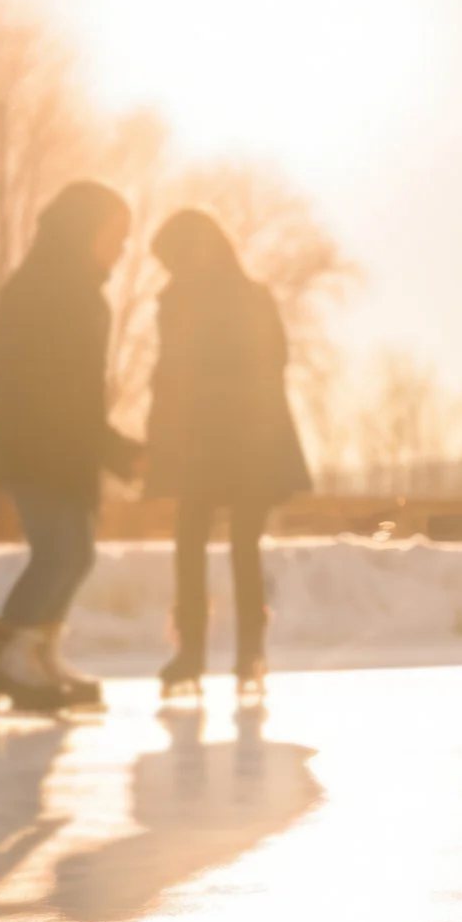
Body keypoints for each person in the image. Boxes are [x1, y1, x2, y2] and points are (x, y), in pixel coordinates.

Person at [0, 181, 143, 715]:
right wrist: (113, 450)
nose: (122, 247)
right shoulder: (39, 290)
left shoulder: (86, 296)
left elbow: (82, 393)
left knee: (77, 553)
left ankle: (37, 654)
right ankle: (2, 660)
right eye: (115, 234)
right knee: (58, 553)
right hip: (38, 447)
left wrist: (107, 448)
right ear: (82, 229)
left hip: (68, 448)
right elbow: (46, 388)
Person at [145, 210, 313, 698]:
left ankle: (238, 652)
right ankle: (209, 653)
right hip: (212, 441)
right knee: (205, 544)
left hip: (239, 441)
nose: (169, 271)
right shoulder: (190, 300)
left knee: (228, 544)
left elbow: (271, 361)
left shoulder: (237, 299)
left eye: (171, 260)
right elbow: (168, 373)